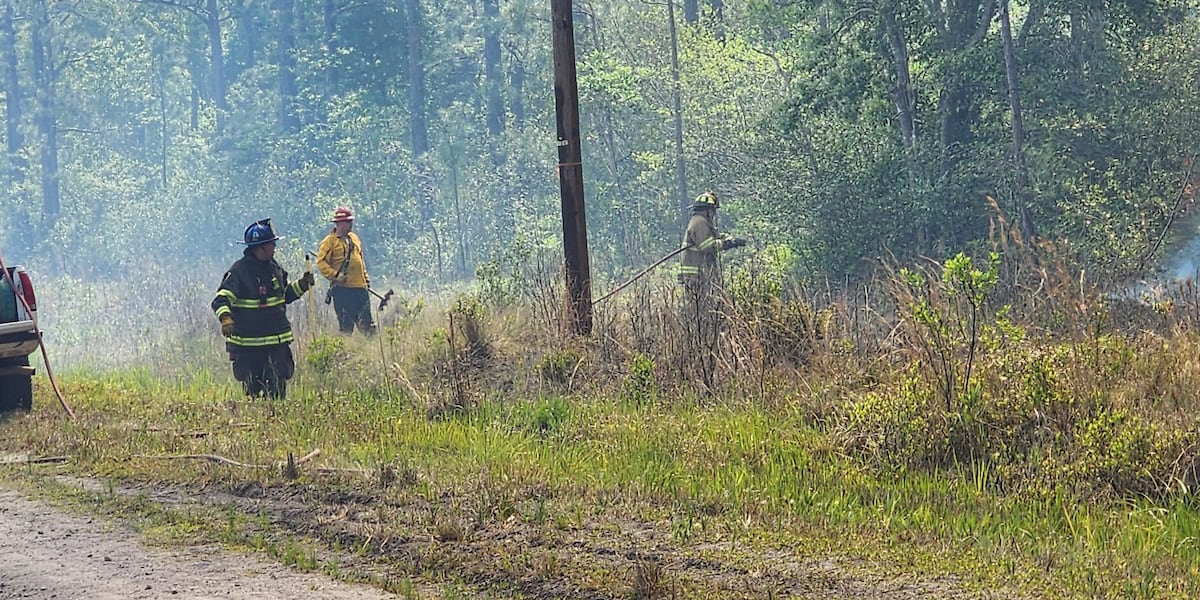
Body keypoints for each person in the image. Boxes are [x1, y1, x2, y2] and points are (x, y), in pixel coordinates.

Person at [212, 218, 315, 401]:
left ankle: (275, 423)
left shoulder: (275, 268)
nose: (274, 247)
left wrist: (302, 285)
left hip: (276, 342)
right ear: (259, 248)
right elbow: (221, 299)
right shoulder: (239, 272)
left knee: (277, 390)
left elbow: (284, 296)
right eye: (271, 244)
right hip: (248, 345)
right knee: (252, 391)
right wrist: (226, 318)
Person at [678, 191, 746, 388]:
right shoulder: (699, 223)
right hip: (696, 277)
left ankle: (705, 336)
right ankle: (699, 340)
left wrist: (729, 239)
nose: (714, 214)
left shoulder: (701, 223)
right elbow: (708, 246)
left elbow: (714, 237)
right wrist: (728, 244)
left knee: (706, 313)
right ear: (707, 211)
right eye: (713, 211)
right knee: (700, 313)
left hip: (700, 277)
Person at [316, 206, 376, 334]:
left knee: (368, 325)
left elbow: (360, 259)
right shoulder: (329, 242)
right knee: (346, 326)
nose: (351, 224)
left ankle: (372, 350)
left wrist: (365, 278)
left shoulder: (354, 238)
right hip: (342, 290)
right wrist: (335, 275)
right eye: (348, 222)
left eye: (351, 221)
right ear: (339, 223)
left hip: (360, 288)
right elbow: (321, 263)